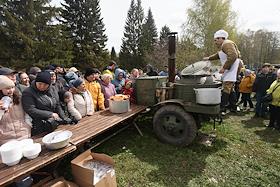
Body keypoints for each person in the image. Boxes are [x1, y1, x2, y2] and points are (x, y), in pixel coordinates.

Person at [204, 29, 242, 115]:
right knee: (230, 88)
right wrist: (209, 58)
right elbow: (219, 55)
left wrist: (224, 68)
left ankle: (222, 108)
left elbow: (233, 56)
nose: (215, 42)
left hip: (231, 68)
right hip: (230, 68)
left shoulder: (226, 43)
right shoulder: (224, 45)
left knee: (227, 87)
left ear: (221, 38)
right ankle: (233, 106)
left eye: (216, 39)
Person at [22, 71, 68, 136]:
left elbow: (57, 104)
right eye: (40, 83)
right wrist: (50, 114)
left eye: (45, 85)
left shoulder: (52, 89)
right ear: (36, 81)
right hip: (39, 125)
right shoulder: (28, 92)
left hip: (54, 122)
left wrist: (64, 118)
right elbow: (30, 109)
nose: (42, 86)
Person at [0, 75, 31, 145]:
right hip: (6, 138)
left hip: (24, 134)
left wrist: (28, 124)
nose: (11, 90)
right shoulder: (1, 103)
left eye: (12, 87)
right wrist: (1, 111)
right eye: (7, 88)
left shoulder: (19, 98)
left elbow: (27, 113)